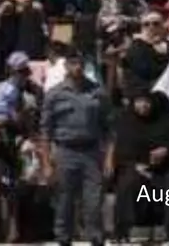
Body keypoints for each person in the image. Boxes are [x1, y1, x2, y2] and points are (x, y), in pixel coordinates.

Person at [39, 47, 108, 246]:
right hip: (65, 150)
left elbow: (109, 127)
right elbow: (45, 130)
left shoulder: (97, 91)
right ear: (66, 66)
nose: (77, 67)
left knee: (93, 201)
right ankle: (63, 239)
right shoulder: (54, 94)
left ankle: (95, 238)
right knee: (64, 200)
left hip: (91, 151)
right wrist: (46, 162)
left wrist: (109, 156)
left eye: (80, 63)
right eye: (72, 63)